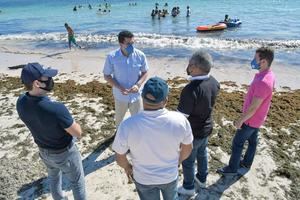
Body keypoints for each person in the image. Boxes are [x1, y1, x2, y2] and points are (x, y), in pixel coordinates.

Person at [112, 77, 194, 200]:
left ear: (142, 97)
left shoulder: (127, 125)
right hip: (169, 176)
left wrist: (128, 167)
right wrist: (177, 161)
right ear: (166, 100)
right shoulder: (180, 120)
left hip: (143, 178)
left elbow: (119, 157)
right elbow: (188, 148)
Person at [16, 63, 86, 200]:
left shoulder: (21, 102)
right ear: (37, 83)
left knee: (54, 178)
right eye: (46, 77)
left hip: (43, 151)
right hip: (64, 153)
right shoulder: (56, 109)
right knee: (77, 183)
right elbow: (77, 133)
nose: (50, 79)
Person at [217, 47, 275, 175]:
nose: (253, 60)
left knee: (237, 143)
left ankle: (232, 169)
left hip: (251, 120)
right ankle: (247, 163)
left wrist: (240, 120)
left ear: (263, 61)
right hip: (258, 118)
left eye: (256, 58)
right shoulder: (269, 75)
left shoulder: (263, 82)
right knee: (253, 142)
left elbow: (254, 107)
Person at [177, 51, 220, 196]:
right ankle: (202, 178)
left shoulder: (190, 90)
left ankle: (188, 187)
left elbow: (181, 118)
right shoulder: (214, 82)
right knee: (202, 154)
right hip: (207, 128)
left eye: (189, 64)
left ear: (194, 67)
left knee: (188, 161)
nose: (188, 67)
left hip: (193, 133)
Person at [103, 30, 149, 127]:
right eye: (128, 44)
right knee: (119, 121)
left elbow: (145, 72)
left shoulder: (140, 55)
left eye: (132, 43)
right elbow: (106, 75)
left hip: (136, 95)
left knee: (138, 122)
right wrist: (119, 87)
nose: (131, 46)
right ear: (121, 44)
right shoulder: (112, 57)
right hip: (120, 96)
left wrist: (138, 85)